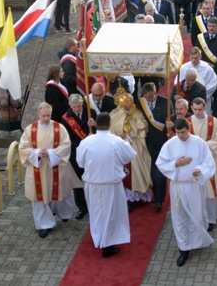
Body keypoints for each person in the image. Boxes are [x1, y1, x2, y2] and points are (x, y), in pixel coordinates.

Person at [156, 118, 215, 267]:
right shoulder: (170, 144)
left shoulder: (199, 143)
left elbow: (209, 163)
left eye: (183, 132)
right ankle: (183, 249)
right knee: (179, 216)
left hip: (194, 185)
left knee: (196, 214)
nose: (181, 136)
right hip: (178, 186)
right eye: (178, 132)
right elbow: (160, 163)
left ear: (188, 129)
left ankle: (196, 241)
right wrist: (176, 163)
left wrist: (199, 170)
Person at [76, 112, 136, 258]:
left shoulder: (86, 141)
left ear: (96, 124)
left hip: (93, 184)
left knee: (96, 213)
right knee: (111, 214)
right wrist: (127, 142)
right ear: (110, 124)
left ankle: (98, 238)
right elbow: (130, 156)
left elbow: (80, 163)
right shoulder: (116, 141)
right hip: (111, 184)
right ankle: (108, 245)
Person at [19, 102, 79, 238]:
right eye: (44, 116)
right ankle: (43, 225)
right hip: (37, 168)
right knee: (39, 198)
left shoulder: (59, 128)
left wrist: (51, 153)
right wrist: (37, 153)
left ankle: (63, 213)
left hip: (55, 167)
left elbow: (66, 145)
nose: (46, 118)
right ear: (38, 114)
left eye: (48, 115)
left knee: (60, 192)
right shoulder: (30, 129)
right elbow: (23, 148)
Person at [187, 98, 217, 229]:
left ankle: (212, 218)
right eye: (195, 110)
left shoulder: (213, 122)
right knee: (196, 190)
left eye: (200, 109)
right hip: (193, 162)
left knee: (211, 189)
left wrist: (202, 147)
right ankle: (198, 217)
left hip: (210, 160)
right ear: (191, 108)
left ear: (205, 108)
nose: (197, 112)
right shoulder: (187, 123)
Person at [109, 88, 152, 204]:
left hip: (135, 144)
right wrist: (123, 116)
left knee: (137, 168)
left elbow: (143, 125)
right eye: (125, 102)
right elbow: (112, 127)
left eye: (130, 102)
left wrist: (133, 132)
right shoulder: (114, 113)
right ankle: (125, 197)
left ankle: (138, 195)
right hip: (120, 144)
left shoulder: (136, 112)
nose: (128, 104)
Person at [61, 94, 96, 219]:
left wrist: (95, 125)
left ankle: (95, 204)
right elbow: (68, 139)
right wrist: (82, 146)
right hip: (76, 154)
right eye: (75, 107)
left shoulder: (91, 113)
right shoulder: (65, 119)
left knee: (93, 179)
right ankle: (82, 207)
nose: (77, 109)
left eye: (79, 106)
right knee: (77, 182)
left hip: (91, 154)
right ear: (70, 105)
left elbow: (98, 132)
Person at [135, 83, 169, 211]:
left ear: (155, 92)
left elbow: (169, 120)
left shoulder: (165, 102)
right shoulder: (140, 104)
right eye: (147, 97)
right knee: (150, 170)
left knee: (160, 172)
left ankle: (160, 199)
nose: (149, 99)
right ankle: (155, 194)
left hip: (162, 142)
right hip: (146, 142)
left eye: (152, 96)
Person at [178, 47, 217, 111]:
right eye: (192, 58)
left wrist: (202, 94)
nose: (193, 60)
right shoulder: (184, 68)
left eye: (196, 58)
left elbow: (213, 83)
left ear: (200, 57)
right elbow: (178, 83)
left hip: (202, 100)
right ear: (189, 57)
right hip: (187, 99)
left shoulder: (207, 68)